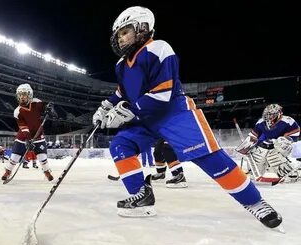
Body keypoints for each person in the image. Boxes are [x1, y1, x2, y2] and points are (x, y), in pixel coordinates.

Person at [92, 6, 282, 229]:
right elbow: (122, 92)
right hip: (145, 117)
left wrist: (127, 112)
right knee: (120, 145)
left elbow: (162, 93)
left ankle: (256, 202)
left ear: (142, 27)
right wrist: (105, 107)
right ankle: (141, 197)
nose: (120, 39)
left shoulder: (158, 48)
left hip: (173, 113)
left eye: (125, 32)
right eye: (118, 35)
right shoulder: (121, 65)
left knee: (209, 157)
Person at [1, 83, 56, 181]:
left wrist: (49, 109)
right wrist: (28, 139)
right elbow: (23, 126)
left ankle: (47, 171)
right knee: (15, 156)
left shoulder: (36, 102)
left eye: (24, 94)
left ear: (29, 95)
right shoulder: (17, 111)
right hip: (23, 137)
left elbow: (46, 110)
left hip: (38, 134)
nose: (22, 97)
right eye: (20, 94)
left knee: (42, 155)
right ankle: (8, 171)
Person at [236, 104, 300, 184]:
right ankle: (254, 171)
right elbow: (253, 136)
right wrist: (245, 147)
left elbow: (294, 134)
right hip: (266, 144)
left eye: (271, 114)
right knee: (258, 153)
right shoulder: (261, 122)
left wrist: (282, 140)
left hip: (281, 145)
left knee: (279, 144)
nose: (269, 116)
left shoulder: (288, 121)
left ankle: (288, 173)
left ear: (279, 114)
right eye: (267, 114)